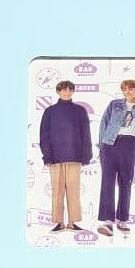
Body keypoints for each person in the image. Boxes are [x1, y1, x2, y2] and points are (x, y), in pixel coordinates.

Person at [96, 79, 135, 236]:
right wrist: (102, 145)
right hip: (110, 144)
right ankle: (107, 221)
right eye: (125, 89)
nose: (128, 92)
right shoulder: (114, 104)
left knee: (126, 181)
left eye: (131, 89)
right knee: (107, 182)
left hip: (129, 144)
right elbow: (104, 122)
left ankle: (122, 220)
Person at [39, 80, 93, 232]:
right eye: (64, 90)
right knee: (57, 191)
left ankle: (72, 222)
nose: (67, 93)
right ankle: (59, 222)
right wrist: (47, 156)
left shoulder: (80, 110)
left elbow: (86, 134)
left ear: (73, 91)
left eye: (70, 90)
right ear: (58, 92)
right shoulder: (50, 111)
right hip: (55, 157)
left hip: (74, 156)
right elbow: (44, 135)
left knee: (73, 190)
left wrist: (86, 155)